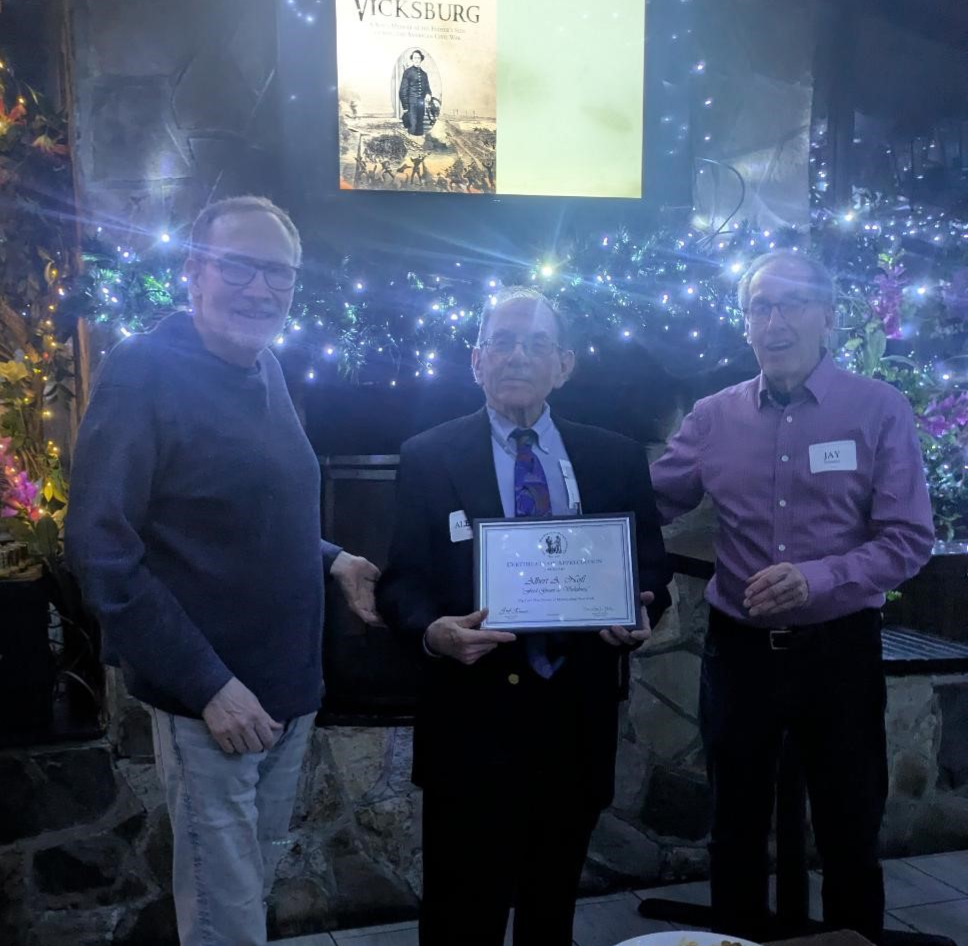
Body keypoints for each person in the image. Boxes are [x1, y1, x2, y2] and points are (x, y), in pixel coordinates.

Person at [65, 196, 381, 946]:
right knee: (226, 922)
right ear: (194, 271)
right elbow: (100, 546)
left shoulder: (265, 365)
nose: (261, 289)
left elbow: (249, 513)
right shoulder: (143, 370)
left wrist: (334, 559)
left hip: (284, 696)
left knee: (242, 901)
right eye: (238, 267)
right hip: (214, 703)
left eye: (279, 272)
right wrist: (207, 685)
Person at [649, 250, 934, 943]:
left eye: (793, 304)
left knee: (848, 829)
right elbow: (647, 502)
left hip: (838, 652)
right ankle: (738, 937)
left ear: (828, 317)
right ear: (746, 323)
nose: (774, 321)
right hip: (738, 654)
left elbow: (908, 538)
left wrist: (820, 576)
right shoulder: (713, 418)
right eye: (760, 307)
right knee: (734, 828)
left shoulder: (878, 409)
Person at [377, 287, 672, 946]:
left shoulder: (615, 457)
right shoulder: (428, 455)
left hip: (575, 721)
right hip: (470, 726)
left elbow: (650, 570)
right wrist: (432, 633)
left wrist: (640, 609)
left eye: (537, 344)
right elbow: (402, 582)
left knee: (551, 912)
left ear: (564, 366)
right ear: (476, 360)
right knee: (459, 919)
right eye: (503, 342)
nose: (518, 357)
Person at [399, 48, 432, 137]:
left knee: (420, 127)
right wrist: (406, 107)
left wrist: (428, 94)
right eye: (415, 58)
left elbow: (427, 88)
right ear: (412, 59)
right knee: (412, 127)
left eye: (418, 58)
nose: (417, 60)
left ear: (421, 59)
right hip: (411, 105)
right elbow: (402, 91)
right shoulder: (408, 72)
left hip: (421, 105)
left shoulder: (424, 74)